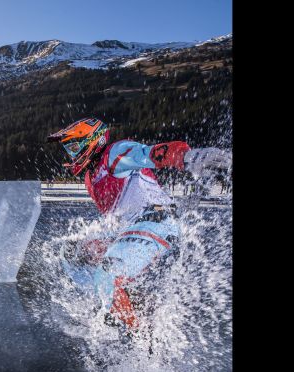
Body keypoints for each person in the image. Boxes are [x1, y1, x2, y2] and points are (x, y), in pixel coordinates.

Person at [47, 118, 231, 332]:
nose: (71, 154)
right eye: (68, 149)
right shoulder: (92, 176)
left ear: (93, 141)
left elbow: (150, 154)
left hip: (156, 220)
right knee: (74, 253)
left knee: (108, 271)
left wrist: (191, 157)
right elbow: (118, 218)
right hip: (135, 228)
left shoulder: (115, 153)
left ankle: (140, 336)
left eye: (74, 147)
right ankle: (123, 303)